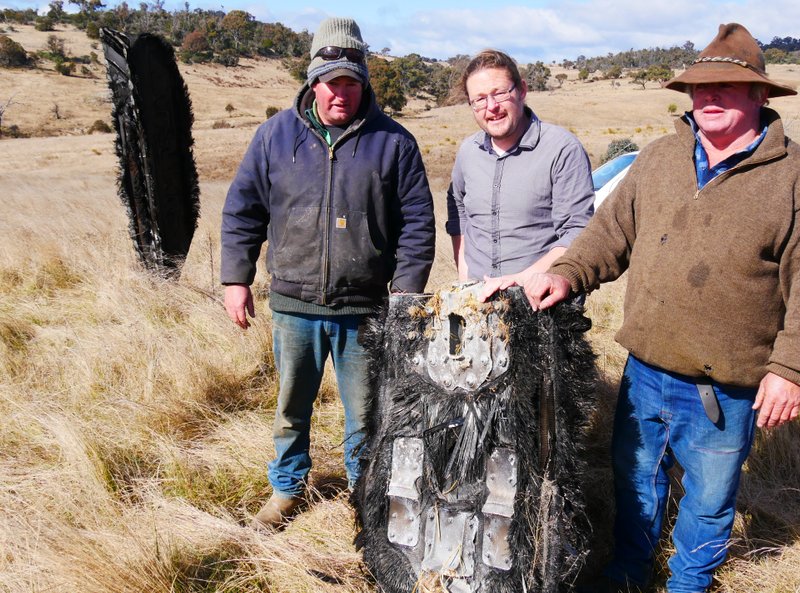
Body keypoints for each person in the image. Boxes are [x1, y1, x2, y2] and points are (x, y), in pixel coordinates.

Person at [523, 23, 800, 593]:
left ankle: (688, 583)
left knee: (710, 495)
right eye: (700, 87)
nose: (710, 97)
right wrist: (567, 274)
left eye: (726, 86)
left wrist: (792, 370)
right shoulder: (659, 158)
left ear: (760, 95)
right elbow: (609, 236)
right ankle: (628, 571)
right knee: (634, 477)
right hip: (645, 368)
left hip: (726, 384)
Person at [220, 17, 435, 531]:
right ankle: (287, 489)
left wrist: (405, 297)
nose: (342, 93)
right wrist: (236, 279)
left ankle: (366, 494)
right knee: (291, 409)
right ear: (313, 81)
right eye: (332, 81)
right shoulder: (274, 136)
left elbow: (418, 225)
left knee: (365, 414)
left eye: (351, 82)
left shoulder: (394, 143)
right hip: (294, 306)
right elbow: (242, 210)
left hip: (365, 310)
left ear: (364, 82)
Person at [445, 49, 594, 292]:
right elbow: (459, 209)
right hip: (476, 302)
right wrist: (464, 274)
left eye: (500, 93)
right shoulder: (467, 153)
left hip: (541, 305)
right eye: (479, 99)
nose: (491, 107)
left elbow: (577, 232)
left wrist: (521, 279)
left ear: (522, 90)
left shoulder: (562, 149)